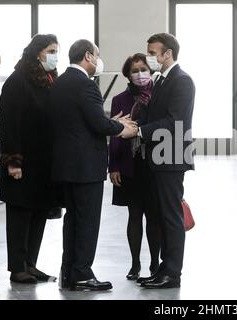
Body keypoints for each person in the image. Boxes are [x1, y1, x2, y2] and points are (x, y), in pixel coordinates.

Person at [50, 39, 138, 291]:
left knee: (73, 221)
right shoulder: (85, 86)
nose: (99, 61)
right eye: (97, 56)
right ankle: (82, 274)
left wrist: (109, 120)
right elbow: (98, 125)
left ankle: (68, 272)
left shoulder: (60, 83)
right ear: (88, 56)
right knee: (87, 221)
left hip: (65, 166)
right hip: (85, 167)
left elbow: (82, 120)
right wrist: (122, 128)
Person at [0, 34, 59, 284]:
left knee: (39, 214)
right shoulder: (17, 81)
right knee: (20, 215)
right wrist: (13, 163)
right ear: (37, 52)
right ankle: (17, 268)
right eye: (51, 50)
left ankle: (30, 263)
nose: (55, 55)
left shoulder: (47, 80)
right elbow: (9, 126)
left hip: (43, 164)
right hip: (22, 163)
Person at [136, 33, 195, 289]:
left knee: (171, 216)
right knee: (160, 215)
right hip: (157, 157)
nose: (150, 56)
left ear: (167, 53)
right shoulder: (161, 80)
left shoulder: (182, 81)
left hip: (171, 157)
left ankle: (173, 272)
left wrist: (140, 131)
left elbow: (175, 121)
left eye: (152, 52)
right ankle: (164, 267)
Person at [108, 54, 160, 280]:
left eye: (143, 69)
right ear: (128, 74)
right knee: (135, 215)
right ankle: (135, 263)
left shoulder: (159, 95)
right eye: (135, 70)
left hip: (154, 164)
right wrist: (114, 166)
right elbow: (115, 135)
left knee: (154, 216)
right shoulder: (119, 99)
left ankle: (155, 263)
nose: (140, 74)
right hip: (130, 164)